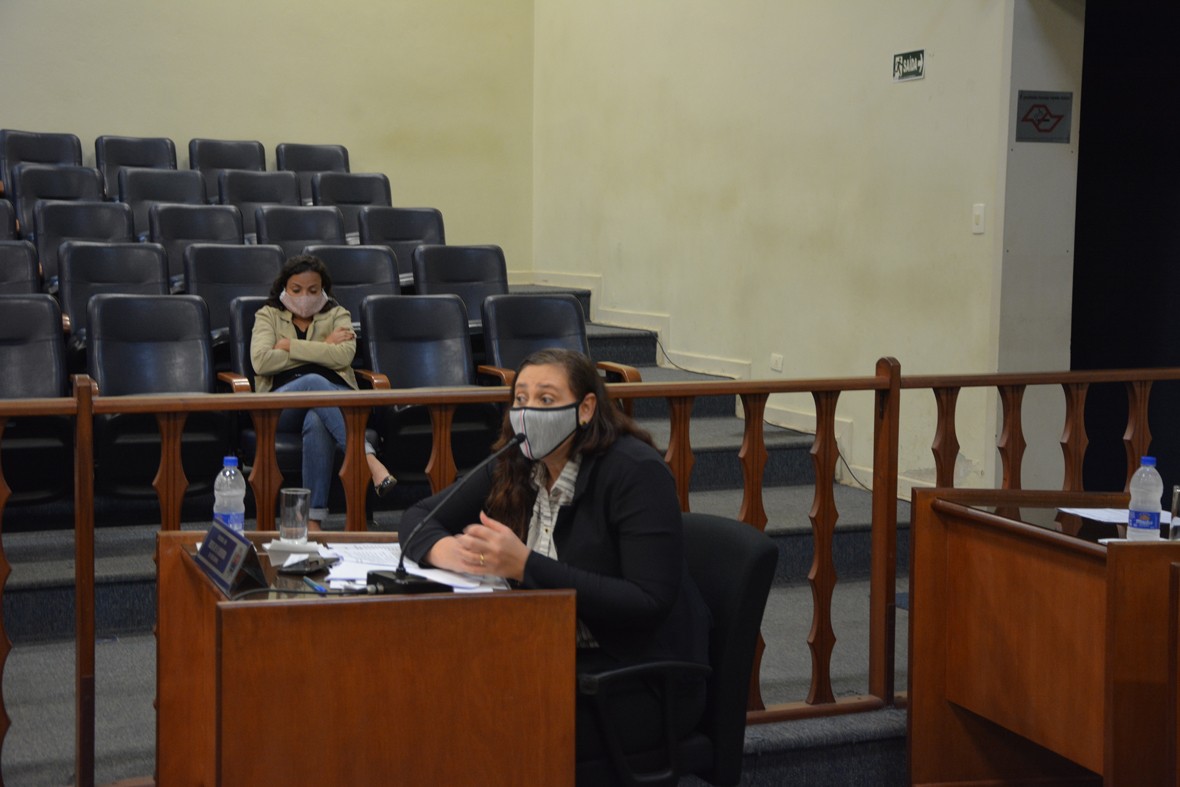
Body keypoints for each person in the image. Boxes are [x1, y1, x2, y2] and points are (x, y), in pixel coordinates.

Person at [398, 347, 711, 762]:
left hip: (636, 679)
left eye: (546, 399)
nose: (528, 412)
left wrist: (525, 566)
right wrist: (448, 551)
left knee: (478, 725)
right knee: (436, 691)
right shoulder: (517, 462)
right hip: (549, 653)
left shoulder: (634, 471)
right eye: (520, 399)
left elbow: (647, 602)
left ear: (585, 409)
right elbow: (419, 518)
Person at [251, 254, 396, 529]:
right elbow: (261, 361)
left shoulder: (338, 314)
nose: (304, 297)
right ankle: (369, 460)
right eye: (296, 290)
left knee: (317, 419)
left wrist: (289, 347)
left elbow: (343, 356)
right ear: (284, 288)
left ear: (324, 290)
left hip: (334, 400)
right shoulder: (268, 315)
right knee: (314, 381)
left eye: (312, 290)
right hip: (282, 405)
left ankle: (313, 520)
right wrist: (325, 346)